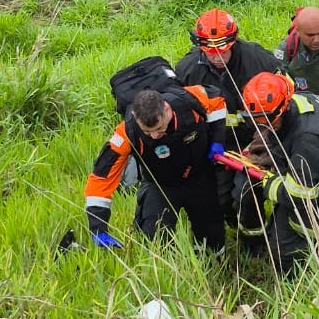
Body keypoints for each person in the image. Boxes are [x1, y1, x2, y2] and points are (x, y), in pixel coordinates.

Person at [234, 72, 319, 276]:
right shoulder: (305, 100)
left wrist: (269, 182)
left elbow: (299, 196)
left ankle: (296, 286)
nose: (263, 127)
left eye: (268, 120)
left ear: (283, 108)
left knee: (281, 249)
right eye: (257, 121)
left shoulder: (308, 141)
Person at [84, 84, 228, 253]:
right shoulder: (127, 132)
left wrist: (218, 139)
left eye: (159, 129)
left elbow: (216, 100)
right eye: (147, 131)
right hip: (160, 184)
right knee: (154, 237)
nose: (154, 136)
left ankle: (212, 264)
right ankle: (170, 270)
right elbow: (101, 177)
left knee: (211, 234)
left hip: (199, 177)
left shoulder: (188, 100)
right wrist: (98, 227)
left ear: (167, 110)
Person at [175, 8, 282, 220]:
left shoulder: (259, 61)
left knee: (247, 192)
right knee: (222, 198)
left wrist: (262, 142)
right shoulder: (187, 70)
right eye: (210, 52)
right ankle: (235, 228)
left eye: (222, 51)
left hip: (257, 142)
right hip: (218, 146)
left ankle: (256, 242)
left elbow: (283, 101)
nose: (217, 58)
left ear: (233, 41)